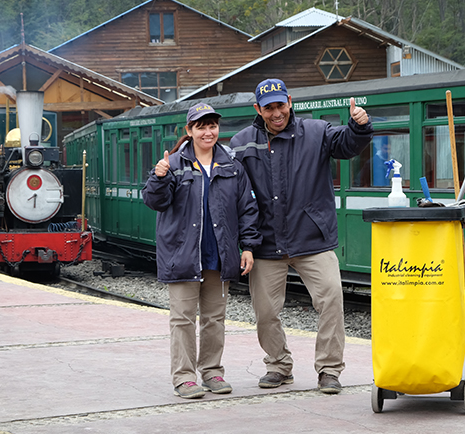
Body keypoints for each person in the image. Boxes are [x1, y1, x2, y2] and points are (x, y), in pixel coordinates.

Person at [230, 78, 373, 394]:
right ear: (258, 109)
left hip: (311, 239)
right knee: (265, 312)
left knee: (332, 299)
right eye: (269, 108)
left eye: (281, 105)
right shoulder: (241, 143)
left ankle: (329, 370)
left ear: (290, 102)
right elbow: (231, 190)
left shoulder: (317, 132)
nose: (276, 113)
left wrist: (359, 127)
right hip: (267, 243)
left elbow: (347, 144)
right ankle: (279, 366)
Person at [143, 102, 261, 400]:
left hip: (219, 254)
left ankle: (211, 372)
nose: (208, 132)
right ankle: (184, 377)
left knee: (214, 318)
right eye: (201, 126)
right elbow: (154, 201)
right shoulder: (174, 163)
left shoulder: (232, 165)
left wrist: (247, 246)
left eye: (212, 126)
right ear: (190, 130)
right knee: (182, 318)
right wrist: (158, 178)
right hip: (183, 254)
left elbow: (247, 208)